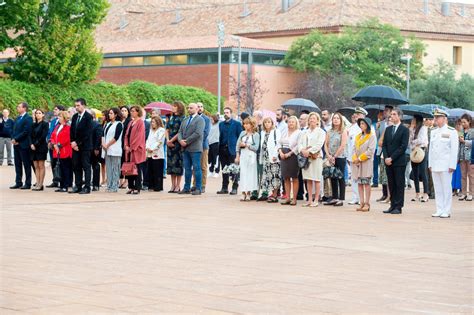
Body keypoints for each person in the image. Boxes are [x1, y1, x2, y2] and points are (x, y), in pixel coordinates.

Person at [429, 109, 459, 218]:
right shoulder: (433, 132)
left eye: (438, 117)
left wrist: (452, 165)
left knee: (446, 187)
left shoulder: (452, 131)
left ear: (445, 118)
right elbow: (431, 149)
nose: (435, 119)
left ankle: (447, 210)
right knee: (437, 188)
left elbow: (454, 150)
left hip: (446, 165)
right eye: (435, 117)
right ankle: (439, 209)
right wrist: (430, 164)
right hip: (435, 164)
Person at [382, 107, 409, 215]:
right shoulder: (388, 129)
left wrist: (392, 158)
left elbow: (403, 147)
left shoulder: (404, 130)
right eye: (391, 114)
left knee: (399, 184)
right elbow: (384, 145)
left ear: (399, 116)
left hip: (398, 161)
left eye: (394, 114)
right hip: (388, 161)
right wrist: (386, 157)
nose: (391, 116)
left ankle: (398, 206)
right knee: (391, 184)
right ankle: (392, 205)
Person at [178, 103, 205, 195]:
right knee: (187, 169)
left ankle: (198, 188)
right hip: (185, 148)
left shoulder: (200, 120)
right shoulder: (185, 120)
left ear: (197, 109)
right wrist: (181, 140)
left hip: (195, 148)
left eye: (191, 108)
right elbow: (180, 131)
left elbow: (198, 133)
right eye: (188, 108)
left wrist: (186, 141)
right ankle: (186, 188)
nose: (189, 109)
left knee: (197, 168)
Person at [299, 112, 325, 207]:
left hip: (316, 157)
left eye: (314, 118)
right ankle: (309, 199)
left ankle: (316, 199)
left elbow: (319, 144)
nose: (312, 120)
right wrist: (302, 150)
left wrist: (309, 151)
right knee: (308, 179)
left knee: (316, 179)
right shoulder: (304, 132)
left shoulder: (321, 132)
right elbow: (300, 143)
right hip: (306, 158)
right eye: (310, 118)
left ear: (317, 120)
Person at [351, 117, 376, 211]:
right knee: (360, 183)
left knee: (366, 183)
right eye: (360, 124)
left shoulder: (371, 136)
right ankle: (361, 203)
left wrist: (360, 158)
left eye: (363, 124)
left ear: (367, 125)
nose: (361, 125)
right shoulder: (358, 136)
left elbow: (370, 150)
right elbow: (353, 148)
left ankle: (367, 203)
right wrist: (354, 158)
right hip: (357, 163)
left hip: (366, 162)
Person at [69, 98, 93, 194]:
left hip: (85, 146)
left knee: (86, 166)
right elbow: (72, 131)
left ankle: (87, 187)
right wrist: (72, 142)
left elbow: (87, 133)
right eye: (75, 105)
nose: (76, 107)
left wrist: (77, 143)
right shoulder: (75, 117)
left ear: (84, 106)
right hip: (75, 146)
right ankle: (78, 185)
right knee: (76, 166)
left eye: (78, 105)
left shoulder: (88, 117)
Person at [323, 112, 347, 207]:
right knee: (332, 177)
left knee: (340, 177)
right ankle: (334, 197)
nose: (336, 120)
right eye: (334, 118)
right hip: (330, 157)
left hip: (340, 157)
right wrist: (328, 155)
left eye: (338, 118)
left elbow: (343, 145)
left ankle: (341, 199)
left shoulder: (343, 131)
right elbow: (326, 144)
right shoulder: (329, 131)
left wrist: (335, 156)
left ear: (341, 120)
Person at [217, 107, 243, 195]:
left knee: (234, 169)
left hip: (232, 150)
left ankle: (234, 188)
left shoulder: (237, 124)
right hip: (222, 149)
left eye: (227, 112)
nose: (226, 114)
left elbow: (240, 137)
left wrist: (238, 151)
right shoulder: (221, 124)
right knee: (224, 169)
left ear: (231, 113)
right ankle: (224, 188)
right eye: (224, 112)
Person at [123, 105, 146, 194]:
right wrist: (126, 145)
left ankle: (137, 187)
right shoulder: (130, 122)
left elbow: (139, 137)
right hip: (128, 150)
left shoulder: (141, 122)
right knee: (129, 169)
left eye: (133, 111)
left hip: (137, 150)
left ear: (138, 112)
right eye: (131, 111)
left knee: (137, 169)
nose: (131, 112)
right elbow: (126, 135)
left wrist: (131, 148)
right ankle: (131, 186)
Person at [347, 107, 368, 205]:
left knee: (363, 178)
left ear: (363, 116)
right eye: (356, 114)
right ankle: (355, 197)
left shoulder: (367, 128)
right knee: (354, 178)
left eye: (359, 114)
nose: (356, 116)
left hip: (362, 157)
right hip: (353, 156)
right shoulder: (351, 127)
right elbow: (349, 143)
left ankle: (362, 198)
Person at [235, 117, 260, 201]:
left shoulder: (256, 135)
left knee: (250, 174)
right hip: (243, 155)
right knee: (243, 173)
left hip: (251, 156)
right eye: (244, 124)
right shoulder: (242, 133)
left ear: (252, 124)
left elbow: (256, 147)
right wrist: (237, 155)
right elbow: (238, 145)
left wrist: (247, 145)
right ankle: (242, 192)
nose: (245, 125)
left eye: (247, 124)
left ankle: (249, 192)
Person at [10, 102, 33, 190]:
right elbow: (13, 130)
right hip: (16, 145)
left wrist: (16, 139)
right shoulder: (17, 118)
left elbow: (26, 131)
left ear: (24, 108)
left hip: (23, 144)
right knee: (17, 164)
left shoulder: (28, 118)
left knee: (26, 164)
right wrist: (13, 138)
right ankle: (18, 182)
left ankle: (28, 183)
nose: (17, 108)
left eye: (19, 107)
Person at [258, 117, 281, 203]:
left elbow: (278, 144)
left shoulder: (276, 132)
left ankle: (275, 195)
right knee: (266, 177)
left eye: (269, 122)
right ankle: (266, 194)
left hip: (273, 157)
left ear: (272, 123)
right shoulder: (263, 133)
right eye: (265, 122)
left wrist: (275, 155)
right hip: (265, 158)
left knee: (274, 176)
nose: (267, 124)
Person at [279, 116, 300, 205]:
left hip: (293, 155)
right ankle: (287, 197)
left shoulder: (299, 133)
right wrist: (280, 152)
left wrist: (290, 153)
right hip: (283, 154)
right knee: (286, 177)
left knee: (294, 177)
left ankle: (294, 199)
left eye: (293, 122)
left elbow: (298, 145)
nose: (291, 123)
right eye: (289, 122)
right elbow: (279, 143)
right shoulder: (284, 132)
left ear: (296, 123)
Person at [50, 111, 73, 192]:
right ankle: (61, 185)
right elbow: (52, 135)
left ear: (64, 118)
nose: (58, 118)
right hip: (57, 150)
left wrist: (58, 145)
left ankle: (65, 185)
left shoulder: (68, 127)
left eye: (60, 116)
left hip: (64, 150)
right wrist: (53, 143)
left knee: (65, 168)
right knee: (60, 168)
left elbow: (67, 139)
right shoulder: (57, 126)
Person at [101, 108, 123, 193]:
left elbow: (116, 137)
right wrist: (103, 144)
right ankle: (109, 185)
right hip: (106, 149)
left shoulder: (119, 124)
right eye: (109, 113)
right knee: (109, 168)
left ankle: (114, 185)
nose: (109, 115)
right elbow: (103, 134)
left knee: (115, 168)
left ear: (116, 114)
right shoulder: (108, 124)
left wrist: (107, 145)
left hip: (115, 149)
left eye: (111, 113)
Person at [409, 115, 430, 202]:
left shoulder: (423, 128)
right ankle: (417, 193)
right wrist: (410, 130)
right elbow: (409, 141)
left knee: (423, 172)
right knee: (415, 173)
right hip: (414, 152)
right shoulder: (413, 129)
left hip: (422, 151)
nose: (412, 121)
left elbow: (421, 140)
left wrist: (413, 142)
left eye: (414, 119)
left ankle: (426, 193)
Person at [166, 101, 185, 193]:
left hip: (177, 143)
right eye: (172, 106)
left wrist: (171, 140)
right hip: (169, 144)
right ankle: (173, 185)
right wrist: (167, 140)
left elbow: (180, 132)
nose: (172, 107)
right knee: (171, 165)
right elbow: (167, 129)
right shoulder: (171, 117)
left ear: (179, 107)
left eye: (175, 106)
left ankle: (178, 185)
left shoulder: (182, 118)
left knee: (178, 164)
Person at [192, 102, 211, 193]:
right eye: (198, 106)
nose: (199, 108)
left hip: (203, 146)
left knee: (203, 166)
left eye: (201, 107)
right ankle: (195, 184)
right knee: (195, 166)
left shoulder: (206, 119)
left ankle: (203, 185)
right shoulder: (193, 118)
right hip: (193, 146)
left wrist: (195, 139)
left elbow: (205, 132)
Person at [46, 105, 66, 187]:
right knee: (53, 163)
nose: (54, 111)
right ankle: (55, 180)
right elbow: (50, 132)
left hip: (59, 146)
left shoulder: (65, 122)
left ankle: (63, 181)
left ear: (61, 111)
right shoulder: (53, 121)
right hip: (52, 145)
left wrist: (56, 144)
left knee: (61, 163)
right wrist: (49, 141)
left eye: (56, 109)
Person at [30, 109, 49, 191]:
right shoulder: (33, 124)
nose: (37, 114)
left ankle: (41, 184)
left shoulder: (45, 124)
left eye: (39, 113)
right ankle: (37, 183)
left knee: (41, 166)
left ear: (43, 115)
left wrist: (35, 144)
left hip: (41, 147)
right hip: (33, 147)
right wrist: (31, 144)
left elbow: (43, 136)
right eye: (36, 113)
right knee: (36, 166)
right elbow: (30, 135)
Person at [146, 116, 166, 192]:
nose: (152, 123)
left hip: (157, 153)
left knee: (157, 171)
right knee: (150, 170)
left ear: (158, 122)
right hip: (149, 153)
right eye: (151, 122)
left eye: (153, 122)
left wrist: (152, 148)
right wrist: (147, 147)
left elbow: (159, 141)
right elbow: (148, 140)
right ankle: (151, 185)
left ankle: (158, 186)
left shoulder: (161, 130)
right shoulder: (151, 130)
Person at [457, 114, 473, 201]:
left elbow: (473, 143)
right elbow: (459, 143)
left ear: (469, 121)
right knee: (463, 175)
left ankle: (471, 193)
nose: (463, 124)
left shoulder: (472, 131)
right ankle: (463, 193)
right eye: (462, 122)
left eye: (464, 122)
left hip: (470, 156)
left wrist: (464, 141)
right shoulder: (460, 131)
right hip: (462, 156)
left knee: (471, 175)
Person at [90, 111, 103, 191]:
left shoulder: (97, 125)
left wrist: (97, 148)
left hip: (94, 149)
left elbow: (98, 137)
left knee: (95, 166)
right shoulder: (85, 124)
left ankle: (96, 184)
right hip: (86, 149)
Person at [297, 113, 309, 201]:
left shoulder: (308, 130)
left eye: (302, 119)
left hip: (308, 154)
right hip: (299, 154)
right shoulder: (298, 130)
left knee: (308, 176)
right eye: (299, 118)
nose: (300, 120)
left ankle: (309, 193)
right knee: (299, 175)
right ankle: (300, 193)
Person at [119, 106, 132, 189]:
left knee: (126, 162)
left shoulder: (129, 121)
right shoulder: (119, 121)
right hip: (119, 144)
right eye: (122, 110)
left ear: (128, 112)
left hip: (126, 144)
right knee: (120, 162)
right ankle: (120, 181)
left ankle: (126, 181)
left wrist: (127, 144)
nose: (123, 112)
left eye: (125, 110)